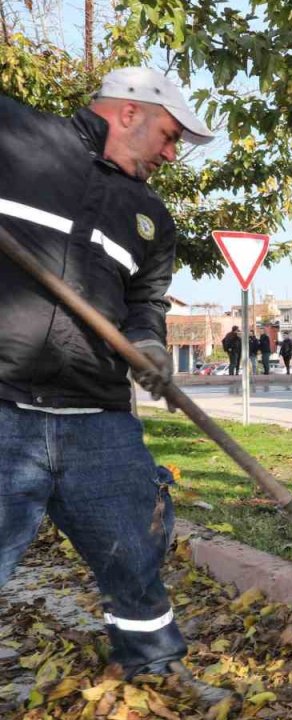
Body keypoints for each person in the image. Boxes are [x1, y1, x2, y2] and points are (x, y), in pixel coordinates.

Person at [0, 67, 231, 704]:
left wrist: (151, 345)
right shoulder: (18, 136)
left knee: (135, 547)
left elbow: (146, 302)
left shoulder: (151, 215)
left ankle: (154, 663)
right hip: (3, 407)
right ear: (129, 112)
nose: (170, 152)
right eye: (168, 135)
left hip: (97, 418)